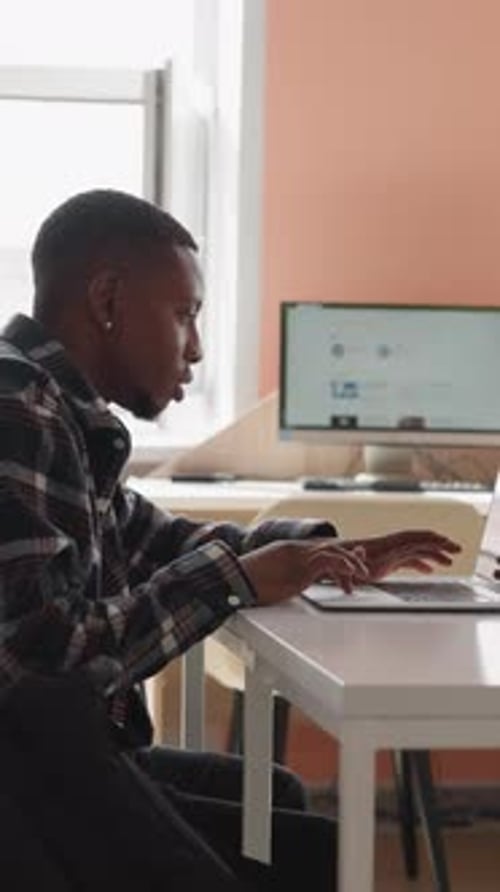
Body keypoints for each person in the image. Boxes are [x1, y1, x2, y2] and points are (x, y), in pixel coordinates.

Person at [0, 189, 460, 891]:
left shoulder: (56, 411)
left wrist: (312, 550)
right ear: (107, 298)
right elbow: (47, 658)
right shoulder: (20, 410)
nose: (197, 348)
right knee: (309, 853)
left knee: (280, 812)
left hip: (52, 756)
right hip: (31, 777)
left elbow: (158, 540)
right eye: (184, 315)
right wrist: (236, 578)